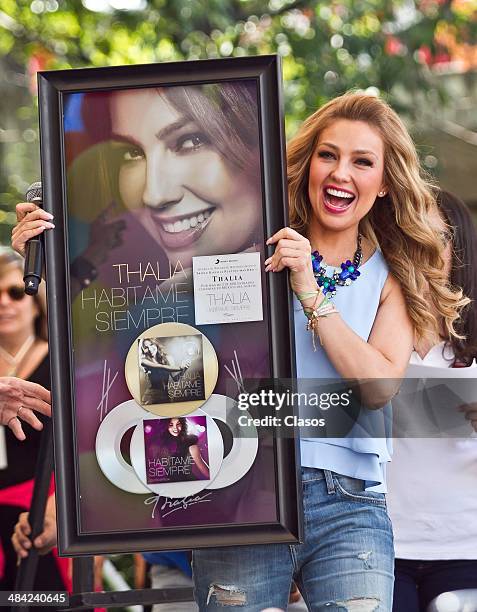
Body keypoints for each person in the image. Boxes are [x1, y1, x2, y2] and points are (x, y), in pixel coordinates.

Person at [191, 91, 468, 611]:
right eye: (328, 154)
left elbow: (379, 387)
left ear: (384, 183)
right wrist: (54, 261)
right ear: (309, 164)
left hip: (351, 502)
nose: (341, 172)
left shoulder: (398, 272)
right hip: (245, 491)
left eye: (362, 161)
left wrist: (310, 291)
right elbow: (147, 319)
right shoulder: (250, 247)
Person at [387, 191, 477, 611]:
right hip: (383, 542)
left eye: (434, 237)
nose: (419, 249)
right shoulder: (373, 337)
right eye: (407, 235)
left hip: (466, 541)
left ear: (459, 249)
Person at [0, 249, 68, 599]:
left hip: (44, 510)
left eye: (14, 292)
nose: (4, 303)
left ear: (36, 301)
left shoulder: (62, 357)